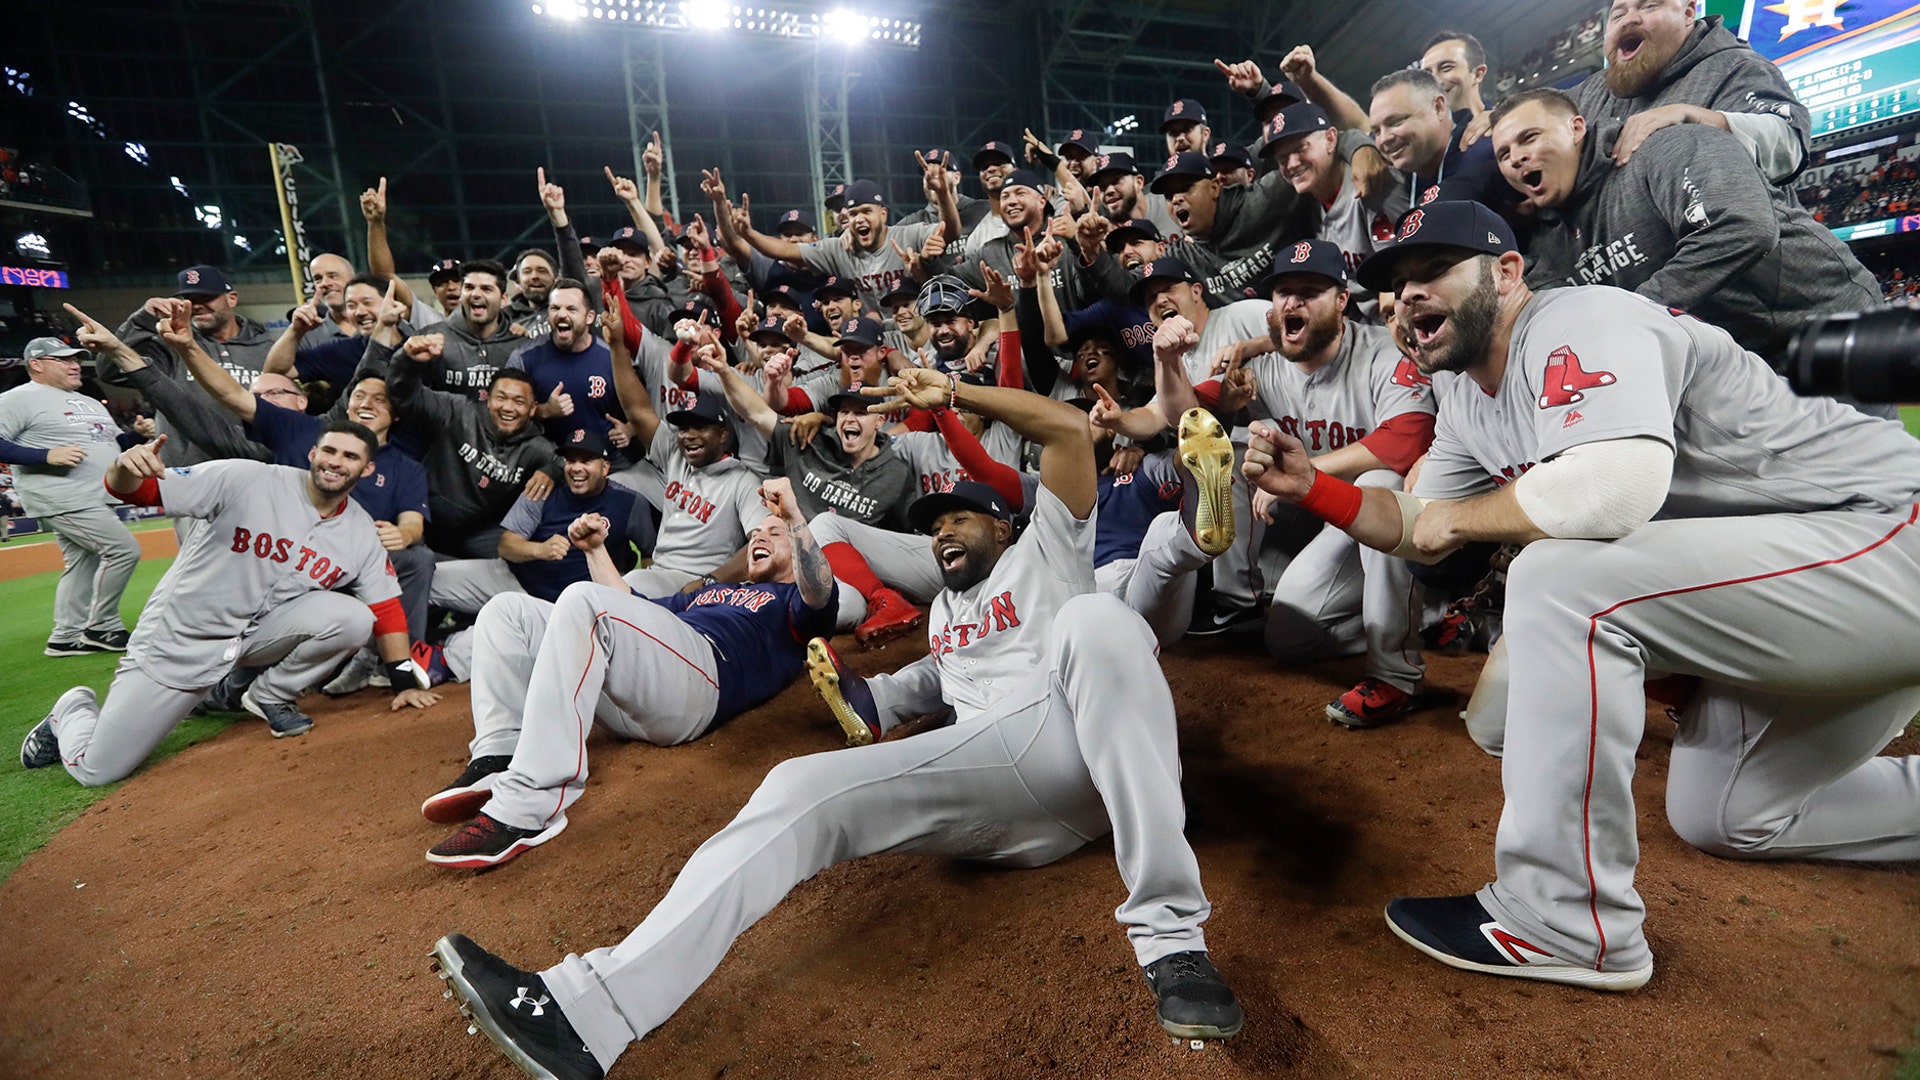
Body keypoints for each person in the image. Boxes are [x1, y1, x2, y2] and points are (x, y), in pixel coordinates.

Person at [429, 367, 1243, 1080]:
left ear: (1004, 526)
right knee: (797, 784)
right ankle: (590, 1010)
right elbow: (882, 705)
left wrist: (951, 395)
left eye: (960, 519)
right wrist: (853, 693)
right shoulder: (943, 630)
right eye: (932, 526)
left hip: (1077, 718)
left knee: (1102, 617)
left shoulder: (1049, 550)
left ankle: (1172, 937)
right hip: (1009, 789)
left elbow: (1067, 429)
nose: (941, 531)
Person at [1245, 199, 1920, 991]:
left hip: (1883, 537)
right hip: (1809, 587)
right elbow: (1420, 524)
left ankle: (1562, 920)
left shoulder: (1582, 320)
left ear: (1506, 273)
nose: (1408, 296)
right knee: (1728, 815)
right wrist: (1314, 487)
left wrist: (1458, 521)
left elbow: (1612, 489)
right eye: (1396, 284)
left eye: (1433, 272)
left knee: (1561, 577)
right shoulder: (1465, 394)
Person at [420, 475, 838, 866]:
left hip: (704, 685)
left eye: (774, 533)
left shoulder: (795, 605)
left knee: (584, 600)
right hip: (650, 686)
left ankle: (529, 805)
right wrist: (595, 551)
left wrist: (795, 519)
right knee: (507, 610)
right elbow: (630, 608)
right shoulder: (714, 592)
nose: (759, 538)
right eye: (755, 534)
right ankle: (500, 752)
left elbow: (819, 591)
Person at [19, 422, 441, 782]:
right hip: (181, 639)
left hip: (251, 640)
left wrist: (403, 679)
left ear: (365, 469)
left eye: (349, 456)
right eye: (328, 450)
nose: (335, 461)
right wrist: (122, 467)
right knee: (99, 768)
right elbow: (139, 491)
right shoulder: (247, 478)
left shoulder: (361, 530)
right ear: (313, 453)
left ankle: (270, 694)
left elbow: (385, 608)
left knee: (351, 617)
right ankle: (71, 710)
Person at [1491, 89, 1882, 358]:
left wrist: (1628, 316)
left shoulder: (1667, 147)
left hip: (1824, 325)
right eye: (1504, 153)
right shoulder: (1545, 243)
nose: (1516, 158)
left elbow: (1743, 226)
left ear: (1576, 128)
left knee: (1862, 472)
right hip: (1742, 356)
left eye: (1529, 138)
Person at [1221, 240, 1434, 725]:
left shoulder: (1382, 352)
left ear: (1341, 300)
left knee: (1381, 481)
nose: (1292, 302)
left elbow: (1405, 439)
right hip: (1330, 525)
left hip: (1411, 523)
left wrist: (1308, 474)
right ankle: (1427, 612)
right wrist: (1170, 363)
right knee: (1288, 640)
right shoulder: (1262, 366)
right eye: (1283, 292)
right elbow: (1188, 409)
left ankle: (1395, 670)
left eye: (1310, 291)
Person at [0, 337, 142, 655]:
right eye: (63, 359)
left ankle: (66, 636)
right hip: (62, 494)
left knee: (82, 563)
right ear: (36, 364)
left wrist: (137, 435)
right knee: (123, 551)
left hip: (94, 492)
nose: (74, 364)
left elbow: (117, 444)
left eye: (76, 359)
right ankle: (103, 627)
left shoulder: (89, 401)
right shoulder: (18, 398)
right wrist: (45, 454)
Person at [380, 333, 561, 559]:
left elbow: (566, 461)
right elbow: (404, 394)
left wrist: (551, 471)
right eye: (501, 398)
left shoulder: (536, 447)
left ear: (533, 409)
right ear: (487, 398)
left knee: (516, 554)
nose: (508, 407)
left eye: (519, 402)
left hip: (477, 534)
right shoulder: (457, 410)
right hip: (423, 519)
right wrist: (407, 360)